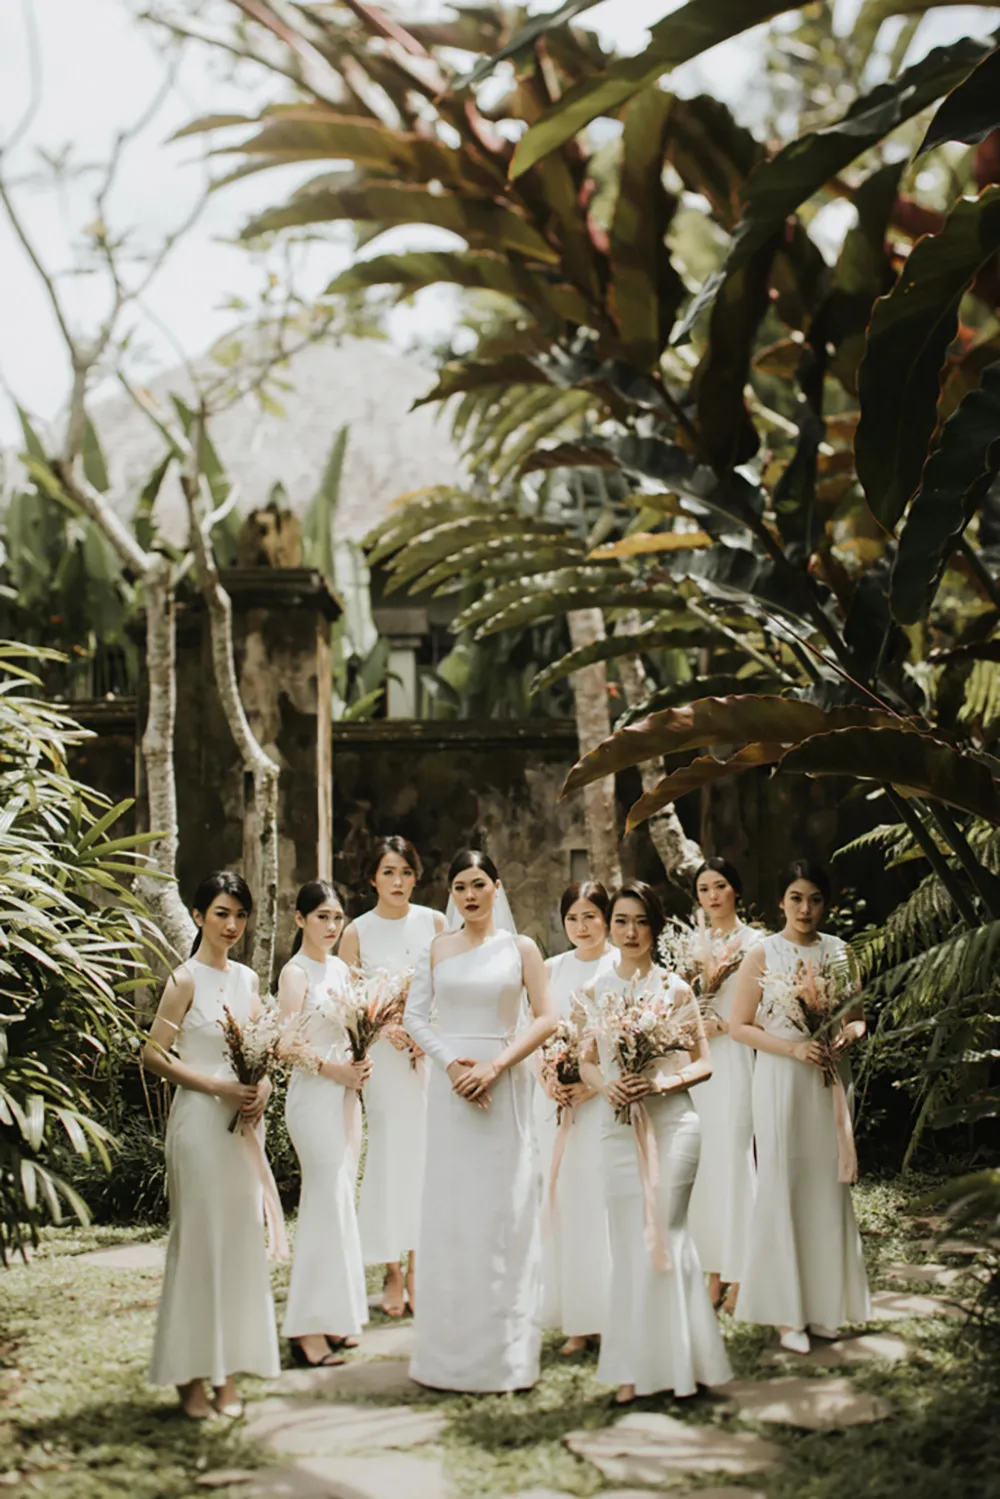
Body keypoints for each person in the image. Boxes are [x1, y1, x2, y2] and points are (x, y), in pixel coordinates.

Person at [403, 849, 557, 1392]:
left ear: (497, 887)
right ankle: (447, 1355)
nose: (469, 895)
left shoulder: (521, 948)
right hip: (451, 1091)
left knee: (504, 1211)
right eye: (460, 886)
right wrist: (451, 1066)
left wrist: (495, 1066)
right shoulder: (436, 948)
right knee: (453, 1212)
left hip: (504, 1082)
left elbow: (547, 1018)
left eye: (478, 884)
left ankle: (507, 1356)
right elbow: (413, 1018)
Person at [580, 882, 732, 1404]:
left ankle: (688, 1366)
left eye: (640, 921)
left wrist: (663, 1082)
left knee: (667, 1235)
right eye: (621, 921)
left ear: (655, 926)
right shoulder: (598, 989)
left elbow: (704, 1061)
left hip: (674, 1126)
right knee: (629, 1246)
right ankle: (631, 1371)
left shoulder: (676, 990)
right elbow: (586, 1061)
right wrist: (609, 1086)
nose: (629, 931)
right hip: (618, 1129)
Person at [145, 871, 280, 1419]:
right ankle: (189, 1374)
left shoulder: (248, 981)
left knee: (238, 1244)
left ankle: (227, 1371)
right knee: (199, 1244)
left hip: (243, 1129)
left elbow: (264, 1052)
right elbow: (153, 1056)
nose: (231, 924)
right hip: (200, 1124)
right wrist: (218, 1085)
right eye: (221, 912)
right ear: (199, 915)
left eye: (240, 915)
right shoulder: (184, 979)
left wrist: (261, 1090)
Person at [729, 859, 870, 1354]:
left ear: (825, 903)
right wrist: (792, 1048)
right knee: (784, 1185)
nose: (805, 908)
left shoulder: (840, 951)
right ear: (781, 902)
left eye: (814, 899)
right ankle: (787, 1315)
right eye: (795, 898)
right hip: (782, 1076)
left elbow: (858, 1020)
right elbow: (738, 1025)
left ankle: (826, 1309)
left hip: (828, 1078)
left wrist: (844, 1039)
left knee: (826, 1190)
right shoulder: (763, 953)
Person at [340, 836, 444, 1317]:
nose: (397, 881)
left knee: (427, 1161)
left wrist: (426, 1035)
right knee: (386, 1160)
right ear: (372, 879)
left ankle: (422, 1269)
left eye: (404, 871)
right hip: (383, 1060)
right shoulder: (356, 931)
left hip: (426, 1059)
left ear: (415, 875)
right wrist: (386, 1024)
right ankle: (391, 1270)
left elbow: (451, 991)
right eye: (388, 872)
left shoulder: (435, 924)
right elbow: (344, 1003)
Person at [277, 880, 370, 1368]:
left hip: (346, 1096)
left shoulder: (340, 968)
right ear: (300, 920)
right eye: (321, 918)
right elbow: (285, 1045)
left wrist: (360, 1062)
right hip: (313, 1097)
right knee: (322, 1201)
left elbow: (356, 1029)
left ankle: (337, 1316)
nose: (331, 927)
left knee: (341, 1204)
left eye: (337, 918)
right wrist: (334, 1070)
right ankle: (307, 1331)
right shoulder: (296, 973)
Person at [537, 880, 615, 1355]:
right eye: (573, 918)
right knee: (565, 1205)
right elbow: (537, 1032)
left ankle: (609, 1314)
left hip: (604, 1102)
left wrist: (593, 1084)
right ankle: (576, 1320)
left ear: (607, 917)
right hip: (557, 1105)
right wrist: (548, 1075)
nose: (582, 927)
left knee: (602, 1206)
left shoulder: (620, 968)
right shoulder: (549, 970)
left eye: (591, 915)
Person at [684, 858, 757, 1313]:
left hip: (736, 1059)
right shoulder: (693, 944)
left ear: (736, 890)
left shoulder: (756, 943)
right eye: (704, 888)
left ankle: (744, 1272)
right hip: (699, 1066)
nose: (712, 896)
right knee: (704, 1166)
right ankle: (712, 1272)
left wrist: (727, 1025)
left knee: (734, 1160)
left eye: (721, 886)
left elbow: (767, 1009)